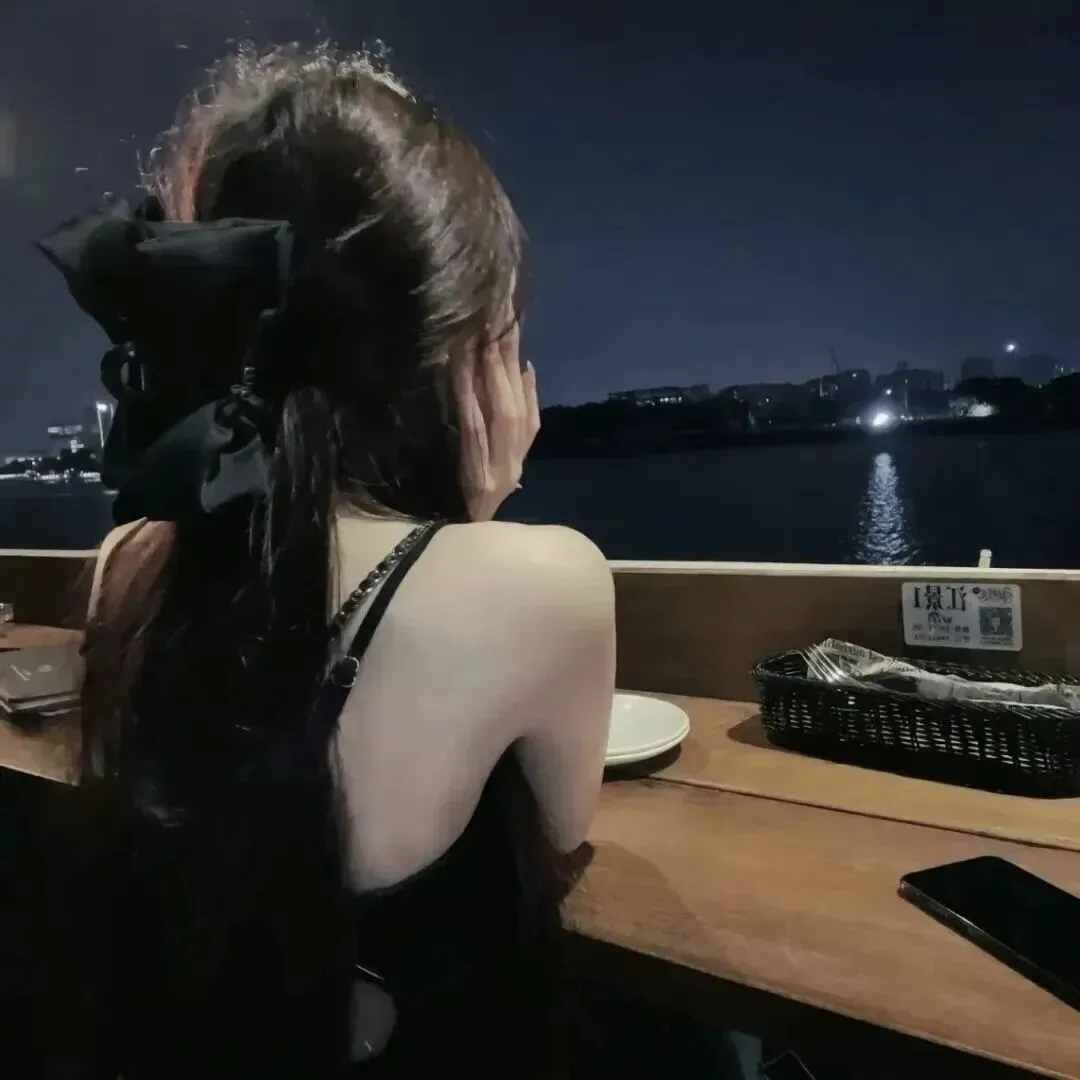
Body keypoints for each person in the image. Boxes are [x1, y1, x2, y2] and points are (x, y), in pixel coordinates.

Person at [36, 43, 615, 1080]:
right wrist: (476, 521)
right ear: (462, 354)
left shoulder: (132, 559)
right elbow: (567, 828)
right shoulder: (544, 584)